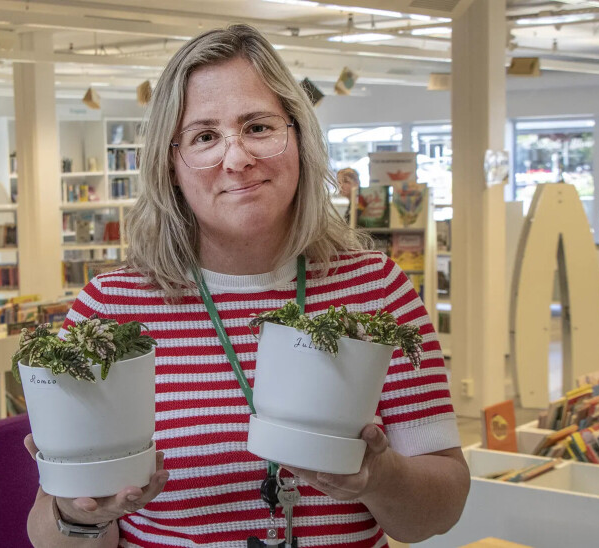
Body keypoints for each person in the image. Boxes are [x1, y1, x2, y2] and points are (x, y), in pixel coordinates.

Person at [25, 23, 469, 547]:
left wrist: (381, 477)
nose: (237, 159)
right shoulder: (110, 311)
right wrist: (79, 514)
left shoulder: (377, 289)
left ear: (299, 138)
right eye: (205, 137)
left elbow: (437, 513)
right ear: (171, 165)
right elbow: (49, 536)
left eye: (258, 127)